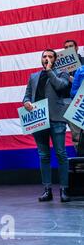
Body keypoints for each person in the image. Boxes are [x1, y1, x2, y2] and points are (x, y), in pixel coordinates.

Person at [23, 49, 70, 203]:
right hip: (39, 120)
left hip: (56, 118)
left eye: (50, 56)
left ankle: (64, 189)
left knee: (61, 154)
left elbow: (61, 86)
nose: (47, 58)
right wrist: (27, 103)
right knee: (43, 156)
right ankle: (47, 190)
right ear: (41, 59)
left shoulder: (61, 73)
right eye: (44, 56)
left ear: (55, 59)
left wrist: (50, 70)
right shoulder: (34, 76)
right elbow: (27, 95)